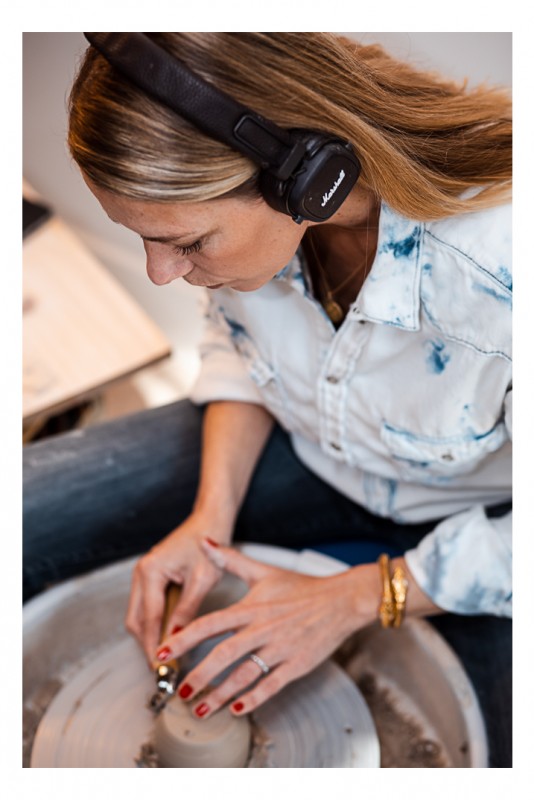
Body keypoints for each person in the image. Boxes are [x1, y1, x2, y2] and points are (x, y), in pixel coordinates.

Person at [23, 33, 512, 766]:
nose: (161, 273)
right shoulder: (265, 239)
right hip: (306, 447)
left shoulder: (503, 274)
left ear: (306, 178)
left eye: (186, 243)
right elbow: (239, 345)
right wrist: (208, 518)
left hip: (475, 523)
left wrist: (355, 597)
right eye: (148, 241)